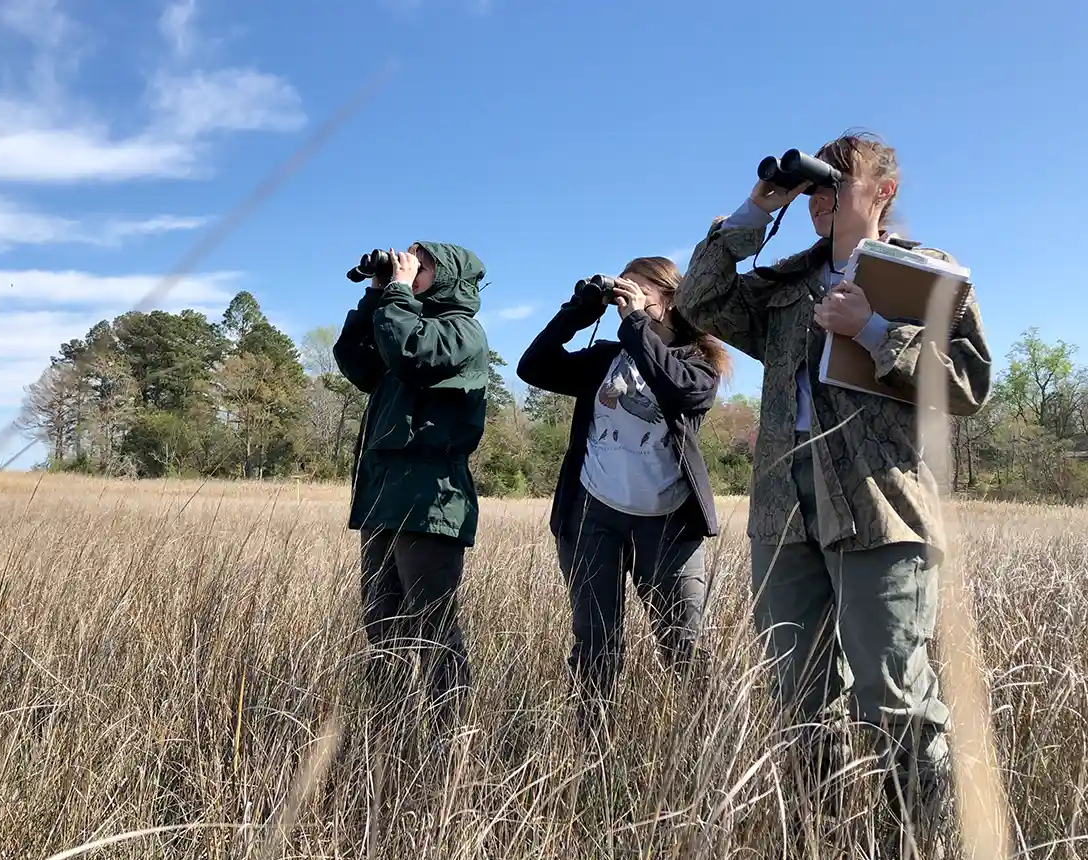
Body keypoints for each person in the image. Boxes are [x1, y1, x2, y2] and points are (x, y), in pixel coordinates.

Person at [674, 131, 992, 855]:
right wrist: (754, 212)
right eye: (811, 187)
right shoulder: (786, 283)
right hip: (785, 516)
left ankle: (910, 842)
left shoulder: (926, 275)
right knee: (797, 697)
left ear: (884, 192)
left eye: (834, 183)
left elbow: (969, 384)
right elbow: (700, 300)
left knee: (894, 698)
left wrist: (876, 329)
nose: (819, 198)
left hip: (880, 511)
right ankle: (816, 838)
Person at [516, 256, 731, 737]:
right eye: (622, 289)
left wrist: (637, 323)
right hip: (593, 513)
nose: (626, 297)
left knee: (685, 646)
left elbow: (679, 393)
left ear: (670, 298)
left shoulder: (700, 362)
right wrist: (578, 311)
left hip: (669, 522)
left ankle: (707, 751)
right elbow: (533, 367)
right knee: (596, 646)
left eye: (638, 289)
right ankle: (591, 752)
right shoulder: (605, 358)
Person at [331, 241, 490, 735]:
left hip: (430, 499)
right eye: (409, 260)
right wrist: (376, 295)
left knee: (433, 630)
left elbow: (411, 352)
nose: (410, 267)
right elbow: (354, 363)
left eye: (423, 263)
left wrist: (397, 293)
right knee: (383, 629)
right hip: (385, 496)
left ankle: (450, 744)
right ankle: (389, 736)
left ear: (450, 276)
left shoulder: (460, 330)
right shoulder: (400, 317)